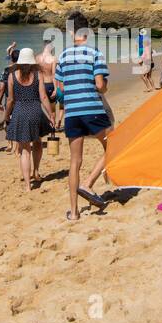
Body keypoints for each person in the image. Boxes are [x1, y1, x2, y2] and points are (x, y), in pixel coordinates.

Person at [55, 18, 111, 221]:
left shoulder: (63, 55)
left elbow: (60, 87)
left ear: (71, 33)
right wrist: (103, 86)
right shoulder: (95, 53)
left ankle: (74, 212)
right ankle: (88, 183)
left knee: (74, 161)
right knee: (114, 145)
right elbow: (100, 85)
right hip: (92, 109)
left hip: (72, 113)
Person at [4, 47, 56, 191]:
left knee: (24, 149)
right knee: (38, 142)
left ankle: (28, 185)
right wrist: (51, 114)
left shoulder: (12, 75)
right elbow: (43, 96)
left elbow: (10, 100)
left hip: (20, 111)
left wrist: (6, 116)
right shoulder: (38, 74)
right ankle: (36, 171)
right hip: (35, 110)